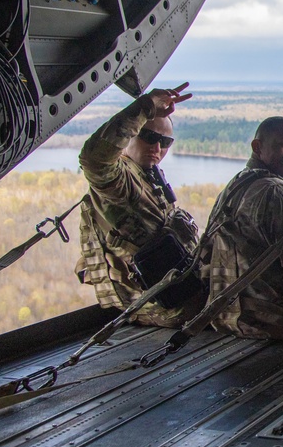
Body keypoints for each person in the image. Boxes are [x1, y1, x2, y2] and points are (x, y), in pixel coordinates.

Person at [76, 83, 202, 327]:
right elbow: (95, 158)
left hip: (178, 289)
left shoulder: (148, 175)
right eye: (150, 137)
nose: (157, 148)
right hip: (156, 304)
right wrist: (145, 108)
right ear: (132, 136)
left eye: (165, 142)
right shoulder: (118, 181)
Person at [199, 117, 283, 339]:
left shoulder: (236, 185)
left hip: (225, 317)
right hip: (278, 323)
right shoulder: (274, 192)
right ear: (257, 147)